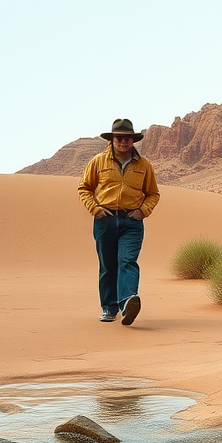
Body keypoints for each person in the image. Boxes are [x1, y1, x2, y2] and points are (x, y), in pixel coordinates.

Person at [77, 118, 160, 324]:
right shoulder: (98, 162)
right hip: (105, 220)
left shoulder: (144, 166)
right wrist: (95, 209)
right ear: (112, 139)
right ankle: (109, 307)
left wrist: (143, 211)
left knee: (127, 260)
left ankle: (128, 302)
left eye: (128, 138)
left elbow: (153, 194)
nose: (124, 142)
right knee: (108, 265)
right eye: (120, 138)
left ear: (133, 140)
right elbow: (84, 188)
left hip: (132, 222)